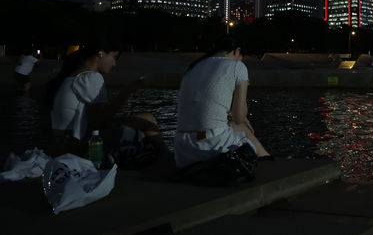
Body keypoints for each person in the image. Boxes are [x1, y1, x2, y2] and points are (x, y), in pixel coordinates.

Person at [47, 38, 168, 164]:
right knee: (147, 121)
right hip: (78, 146)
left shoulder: (73, 76)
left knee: (143, 124)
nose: (114, 64)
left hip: (64, 143)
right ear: (100, 53)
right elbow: (98, 122)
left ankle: (161, 155)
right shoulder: (91, 77)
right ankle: (167, 157)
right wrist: (126, 93)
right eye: (114, 57)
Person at [174, 36, 270, 169]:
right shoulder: (237, 66)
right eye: (240, 57)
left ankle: (267, 160)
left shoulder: (192, 67)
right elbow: (238, 117)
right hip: (211, 150)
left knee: (236, 127)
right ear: (237, 51)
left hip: (182, 152)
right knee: (243, 128)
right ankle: (269, 163)